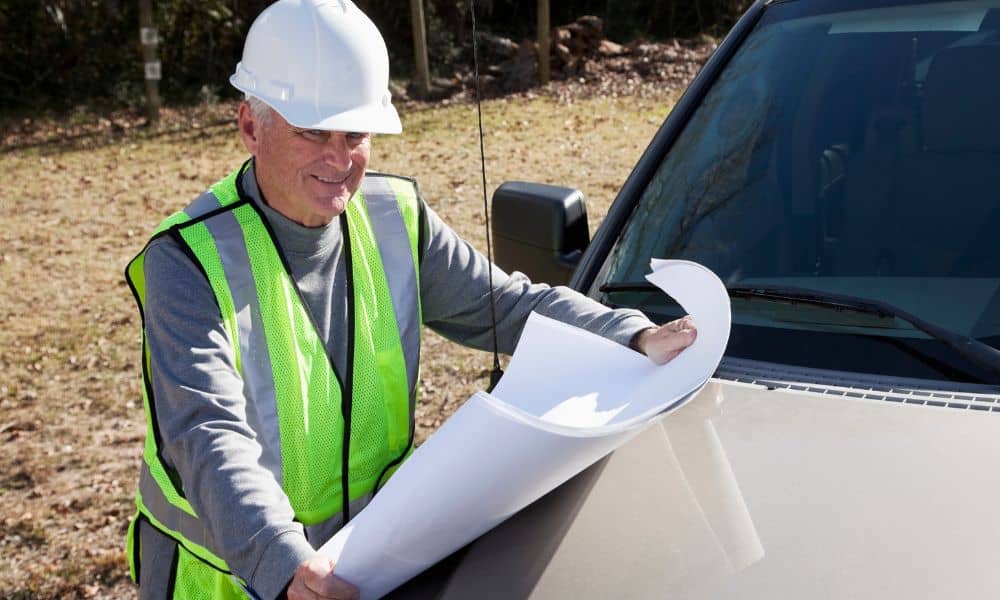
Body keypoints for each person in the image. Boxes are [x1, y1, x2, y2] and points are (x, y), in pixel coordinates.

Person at [123, 1, 697, 598]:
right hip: (227, 577)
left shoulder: (395, 218)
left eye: (355, 134)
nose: (339, 160)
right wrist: (283, 562)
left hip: (367, 563)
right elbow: (205, 431)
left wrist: (630, 334)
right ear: (250, 126)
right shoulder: (186, 260)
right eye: (312, 132)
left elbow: (507, 307)